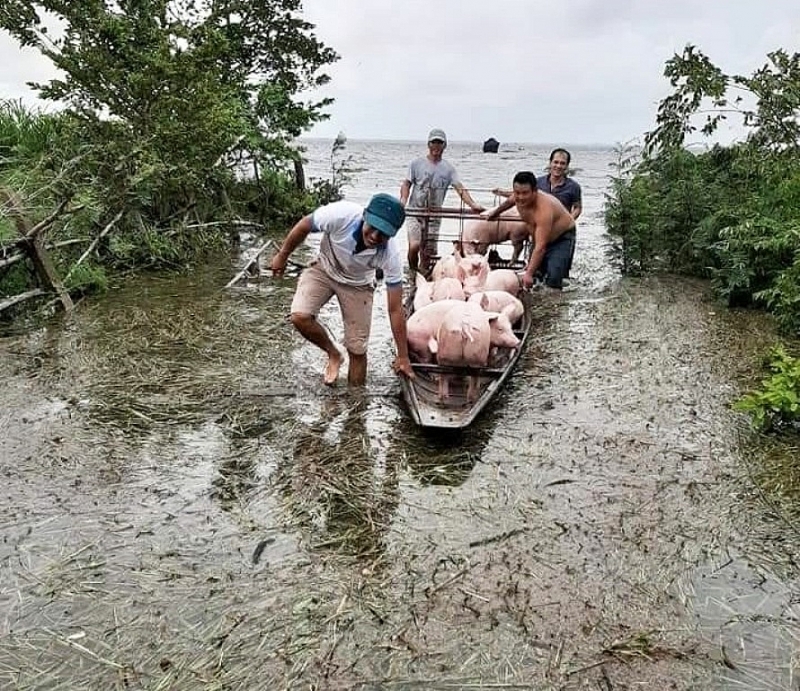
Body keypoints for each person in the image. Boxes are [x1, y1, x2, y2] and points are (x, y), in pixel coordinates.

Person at [270, 193, 415, 387]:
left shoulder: (391, 255)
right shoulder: (340, 215)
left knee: (357, 349)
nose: (374, 237)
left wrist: (403, 356)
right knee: (299, 316)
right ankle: (333, 353)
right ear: (364, 215)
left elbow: (395, 309)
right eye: (372, 228)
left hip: (358, 284)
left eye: (383, 234)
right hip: (325, 267)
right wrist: (282, 255)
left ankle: (355, 404)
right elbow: (305, 224)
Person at [400, 128, 484, 274]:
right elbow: (406, 184)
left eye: (440, 143)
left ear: (444, 146)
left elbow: (460, 188)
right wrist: (402, 201)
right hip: (415, 211)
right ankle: (413, 272)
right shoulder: (416, 164)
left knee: (430, 252)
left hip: (434, 214)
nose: (436, 147)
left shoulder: (448, 169)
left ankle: (425, 274)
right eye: (434, 143)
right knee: (414, 245)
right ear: (429, 144)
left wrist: (472, 205)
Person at [493, 148, 582, 277]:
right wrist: (497, 208)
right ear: (550, 163)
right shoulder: (538, 182)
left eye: (562, 163)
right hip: (539, 230)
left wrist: (570, 218)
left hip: (561, 232)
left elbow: (578, 207)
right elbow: (520, 194)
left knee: (555, 273)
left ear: (567, 166)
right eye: (555, 162)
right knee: (536, 271)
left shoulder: (573, 187)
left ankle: (556, 290)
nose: (558, 166)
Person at [486, 171, 576, 290]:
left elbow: (541, 247)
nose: (521, 197)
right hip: (538, 237)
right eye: (517, 193)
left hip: (561, 237)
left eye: (525, 193)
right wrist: (495, 213)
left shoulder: (543, 209)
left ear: (534, 191)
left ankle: (556, 302)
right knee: (536, 275)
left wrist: (528, 274)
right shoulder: (517, 198)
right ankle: (536, 301)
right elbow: (508, 202)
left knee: (554, 278)